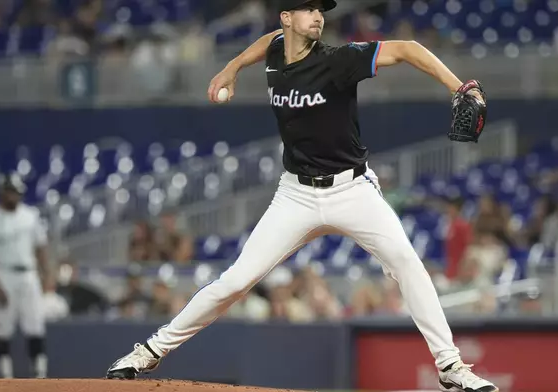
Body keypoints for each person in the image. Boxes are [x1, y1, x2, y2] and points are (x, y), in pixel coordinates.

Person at [106, 1, 496, 391]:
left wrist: (461, 86)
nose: (318, 16)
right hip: (296, 195)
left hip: (352, 189)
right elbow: (268, 42)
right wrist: (233, 67)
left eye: (320, 9)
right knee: (235, 281)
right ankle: (149, 352)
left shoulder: (340, 60)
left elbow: (409, 48)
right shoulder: (277, 48)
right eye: (307, 9)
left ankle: (450, 365)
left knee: (408, 265)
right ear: (286, 18)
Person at [0, 173, 50, 378]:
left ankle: (40, 372)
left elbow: (41, 247)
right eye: (10, 192)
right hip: (3, 273)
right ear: (3, 192)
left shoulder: (30, 215)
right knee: (2, 327)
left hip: (28, 274)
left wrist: (46, 274)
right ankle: (6, 376)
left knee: (35, 323)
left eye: (17, 193)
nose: (14, 197)